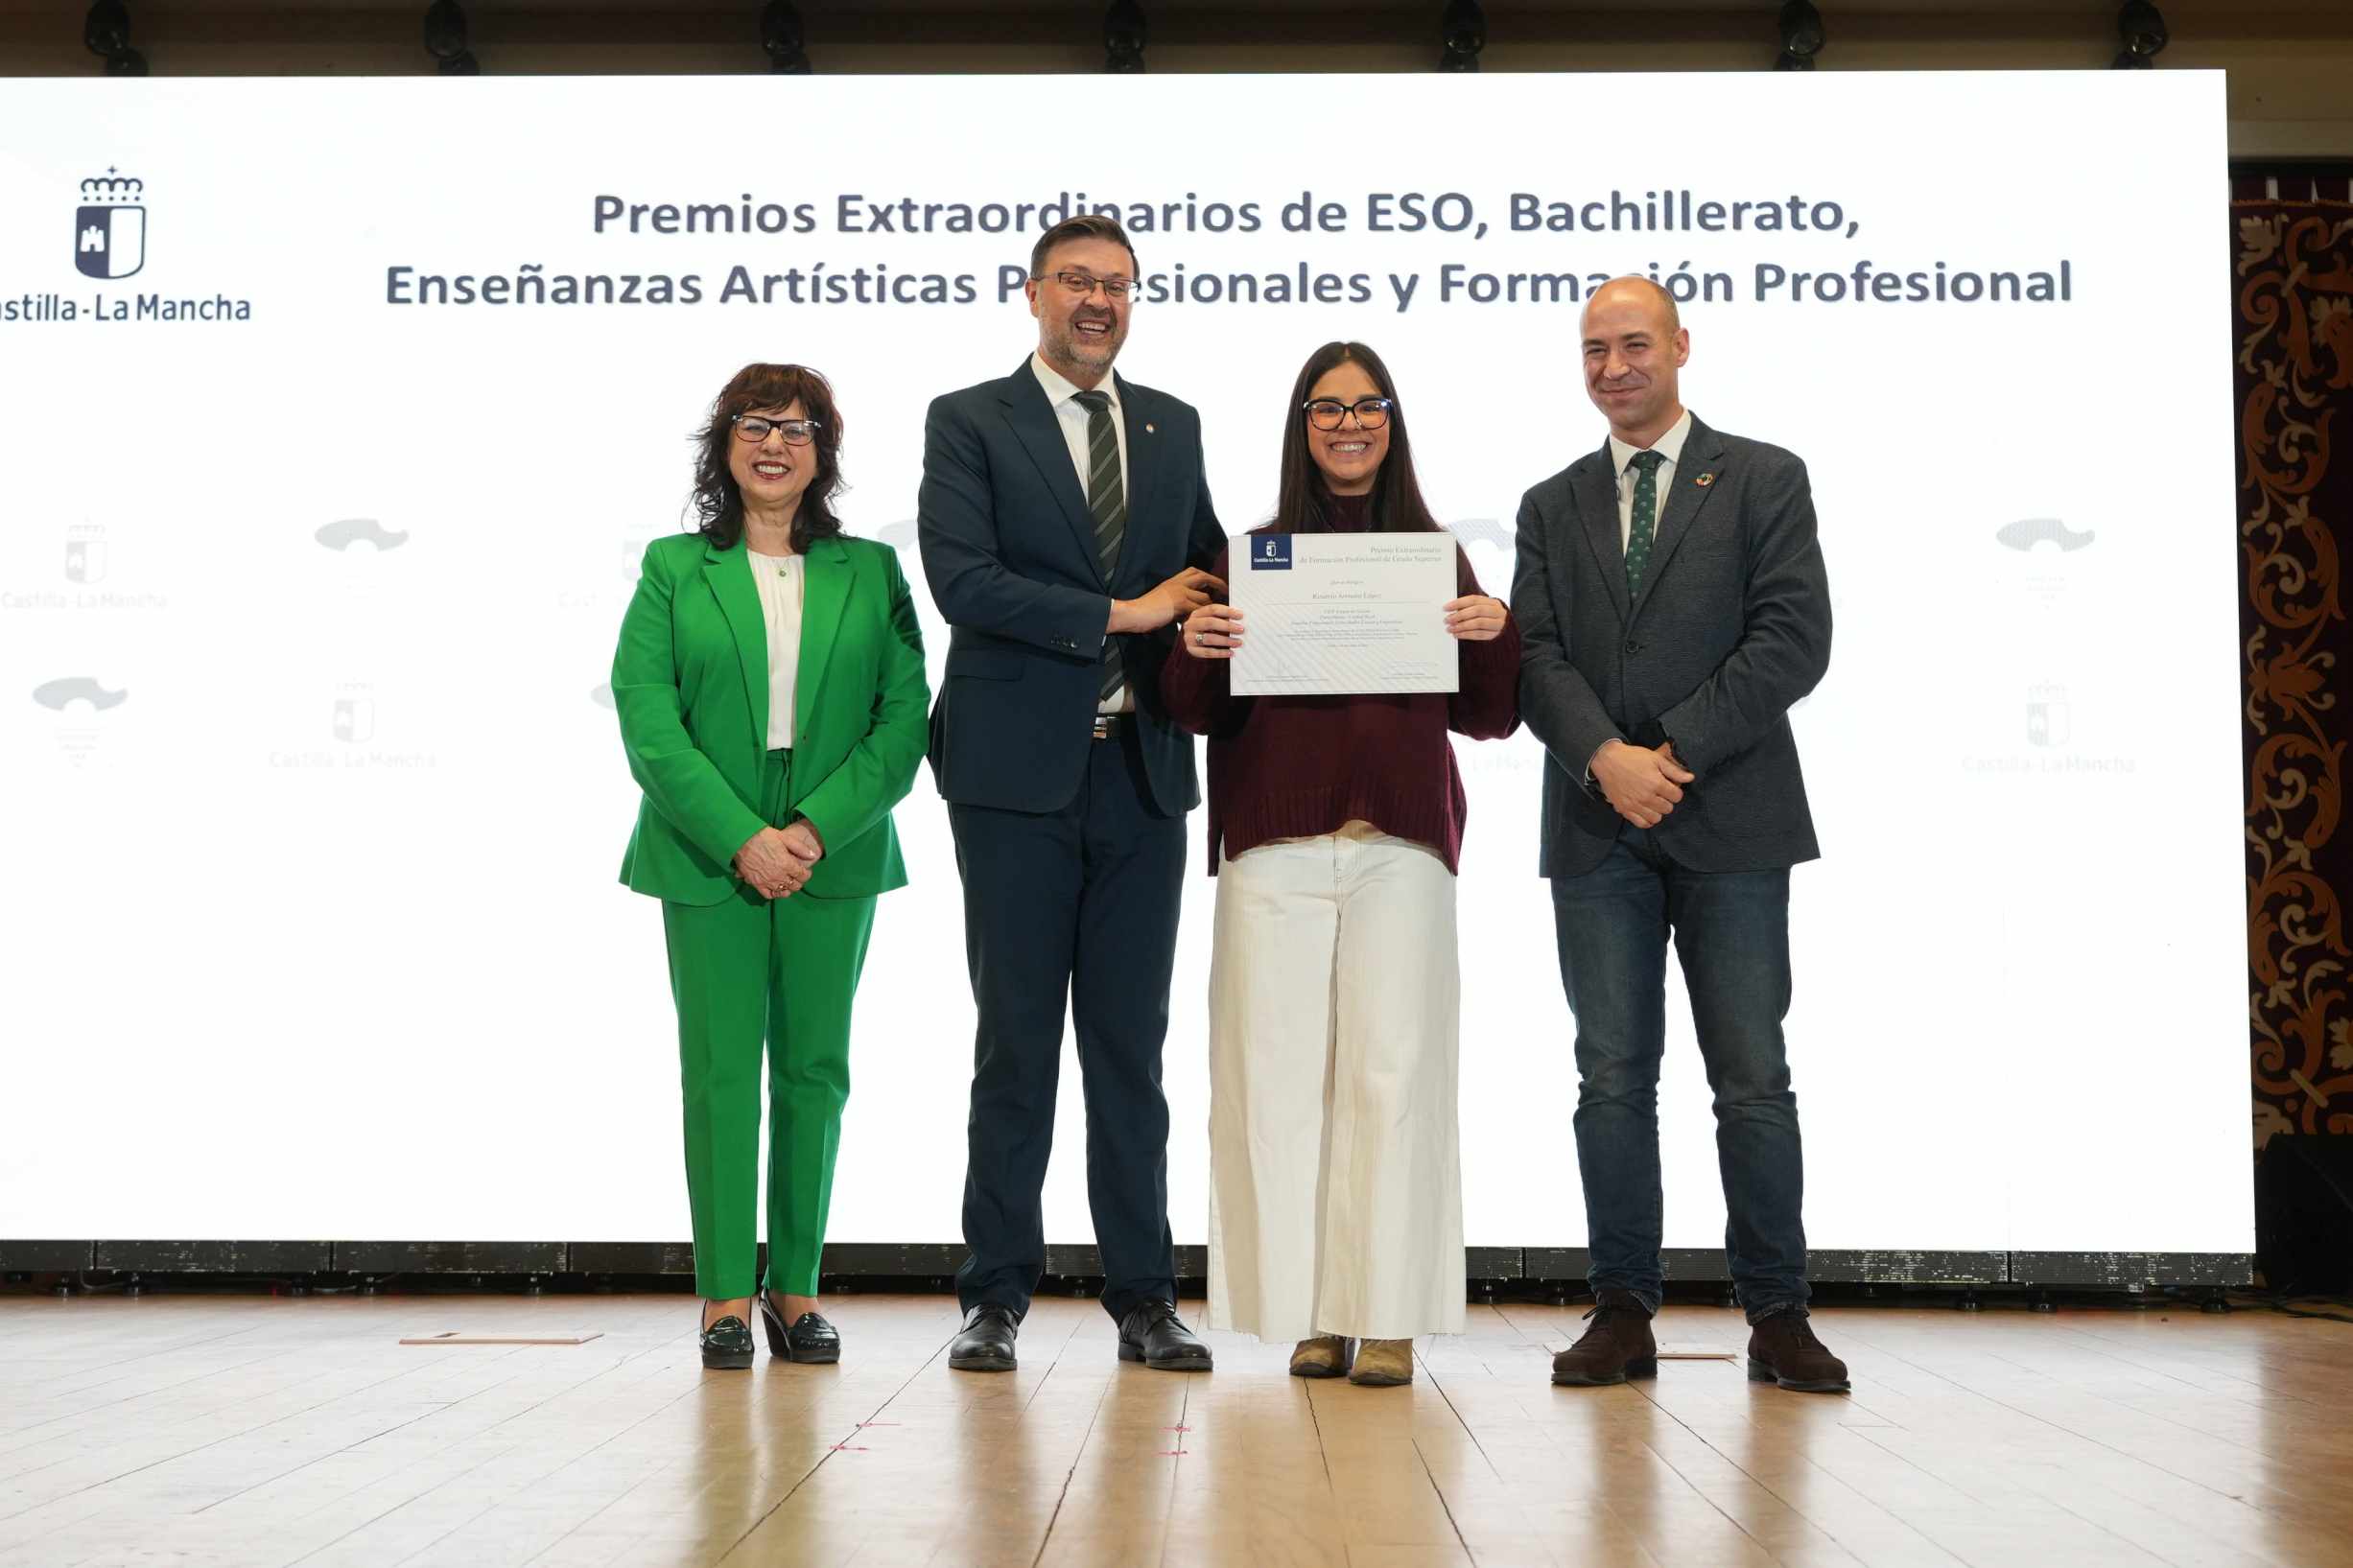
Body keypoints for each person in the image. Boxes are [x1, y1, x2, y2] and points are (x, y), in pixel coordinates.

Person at [1510, 276, 1846, 1393]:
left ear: (1680, 346)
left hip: (1731, 818)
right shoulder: (1548, 503)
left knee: (1751, 1078)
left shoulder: (1762, 477)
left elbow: (1791, 638)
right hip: (1594, 823)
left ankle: (1778, 1315)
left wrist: (1669, 753)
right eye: (1593, 349)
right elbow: (1533, 657)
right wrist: (1605, 760)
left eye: (1632, 344)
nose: (1612, 367)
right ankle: (1620, 1310)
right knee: (1609, 1079)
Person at [1163, 341, 1518, 1389]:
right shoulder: (1250, 555)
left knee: (1394, 1075)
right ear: (1301, 425)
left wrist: (1494, 632)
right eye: (1327, 408)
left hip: (1399, 846)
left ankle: (1389, 1317)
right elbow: (1192, 709)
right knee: (1278, 1080)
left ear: (1391, 423)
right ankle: (1314, 1314)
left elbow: (1488, 715)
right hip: (1272, 847)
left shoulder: (1435, 557)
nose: (1348, 424)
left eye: (1367, 407)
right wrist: (1195, 646)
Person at [917, 214, 1229, 1373]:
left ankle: (1144, 1298)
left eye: (1118, 285)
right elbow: (963, 582)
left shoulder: (1170, 424)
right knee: (1015, 1048)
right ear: (1034, 292)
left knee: (1128, 1053)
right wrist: (1122, 613)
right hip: (1011, 781)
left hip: (1140, 776)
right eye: (1076, 281)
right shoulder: (969, 419)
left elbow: (1204, 570)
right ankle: (994, 1296)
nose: (1098, 301)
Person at [613, 363, 929, 1370]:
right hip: (706, 846)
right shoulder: (673, 567)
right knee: (717, 1074)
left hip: (832, 842)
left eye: (797, 428)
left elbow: (903, 717)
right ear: (723, 444)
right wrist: (740, 835)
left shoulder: (872, 571)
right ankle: (722, 1298)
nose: (774, 443)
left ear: (822, 452)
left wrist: (812, 830)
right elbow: (648, 717)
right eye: (754, 424)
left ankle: (794, 1290)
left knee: (813, 1072)